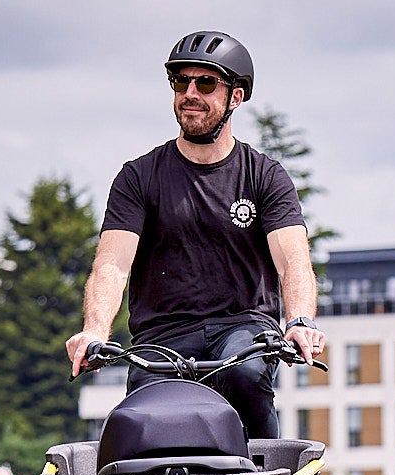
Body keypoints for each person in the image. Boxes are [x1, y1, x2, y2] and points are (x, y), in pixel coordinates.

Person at [66, 31, 325, 439]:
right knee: (141, 422)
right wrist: (96, 331)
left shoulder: (264, 176)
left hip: (243, 327)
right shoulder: (139, 177)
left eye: (205, 83)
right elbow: (112, 266)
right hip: (163, 334)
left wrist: (299, 320)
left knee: (246, 376)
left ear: (235, 97)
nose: (190, 93)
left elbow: (293, 261)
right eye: (180, 82)